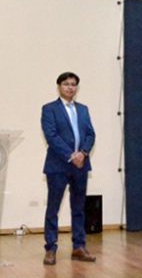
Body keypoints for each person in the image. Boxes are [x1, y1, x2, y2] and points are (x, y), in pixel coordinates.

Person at [41, 71, 96, 265]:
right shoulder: (49, 109)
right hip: (58, 166)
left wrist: (83, 153)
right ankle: (50, 248)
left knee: (79, 208)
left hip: (81, 165)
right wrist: (71, 156)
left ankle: (79, 247)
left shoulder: (83, 109)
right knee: (53, 208)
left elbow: (90, 134)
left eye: (73, 84)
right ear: (59, 87)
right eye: (66, 84)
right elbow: (51, 136)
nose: (70, 87)